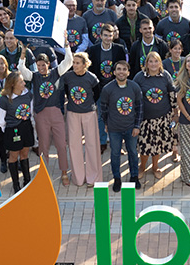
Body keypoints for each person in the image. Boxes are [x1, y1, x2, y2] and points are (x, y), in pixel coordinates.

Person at [27, 53, 71, 187]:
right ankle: (44, 174)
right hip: (41, 114)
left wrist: (67, 46)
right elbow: (22, 70)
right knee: (43, 146)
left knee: (61, 145)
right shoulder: (34, 76)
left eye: (43, 65)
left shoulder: (56, 72)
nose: (41, 68)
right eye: (38, 65)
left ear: (48, 64)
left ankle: (64, 172)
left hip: (56, 112)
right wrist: (23, 55)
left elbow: (68, 61)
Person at [98, 60, 142, 191]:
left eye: (124, 69)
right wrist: (107, 124)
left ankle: (134, 176)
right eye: (118, 69)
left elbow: (139, 108)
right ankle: (117, 179)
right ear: (114, 72)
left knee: (133, 152)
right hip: (114, 129)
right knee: (115, 154)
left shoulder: (134, 87)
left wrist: (137, 126)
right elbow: (103, 108)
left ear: (128, 72)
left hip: (131, 128)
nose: (121, 72)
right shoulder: (107, 89)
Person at [61, 52, 103, 189]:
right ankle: (78, 178)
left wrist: (88, 105)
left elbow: (97, 94)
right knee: (74, 145)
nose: (74, 65)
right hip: (73, 113)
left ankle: (93, 177)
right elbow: (67, 92)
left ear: (85, 64)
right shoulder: (67, 77)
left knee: (92, 144)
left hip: (89, 113)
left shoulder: (92, 78)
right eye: (73, 63)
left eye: (77, 63)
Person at [134, 52, 175, 180]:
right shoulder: (139, 77)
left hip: (162, 118)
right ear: (146, 63)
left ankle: (155, 167)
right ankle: (142, 167)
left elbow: (172, 94)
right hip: (145, 119)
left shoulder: (165, 75)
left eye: (156, 61)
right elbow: (133, 95)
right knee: (144, 146)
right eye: (150, 61)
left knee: (158, 145)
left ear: (160, 63)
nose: (153, 64)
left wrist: (175, 113)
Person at [0, 68, 36, 190]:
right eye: (21, 82)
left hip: (26, 127)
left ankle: (27, 181)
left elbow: (31, 111)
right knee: (13, 156)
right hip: (13, 130)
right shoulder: (5, 99)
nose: (24, 83)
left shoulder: (28, 94)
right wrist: (8, 128)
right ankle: (16, 184)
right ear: (13, 84)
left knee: (25, 154)